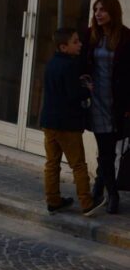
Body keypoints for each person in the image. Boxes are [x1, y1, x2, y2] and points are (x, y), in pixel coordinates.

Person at [40, 27, 104, 217]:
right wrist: (88, 89)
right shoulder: (70, 66)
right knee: (78, 164)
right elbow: (73, 95)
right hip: (67, 123)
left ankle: (53, 200)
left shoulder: (51, 63)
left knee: (52, 164)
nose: (80, 44)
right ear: (63, 47)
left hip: (49, 121)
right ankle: (87, 202)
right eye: (75, 42)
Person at [81, 0, 130, 215]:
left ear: (113, 12)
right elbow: (81, 63)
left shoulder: (126, 37)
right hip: (96, 100)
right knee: (106, 149)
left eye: (102, 10)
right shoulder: (91, 35)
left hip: (116, 102)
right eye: (96, 9)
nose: (98, 13)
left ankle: (99, 190)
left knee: (107, 150)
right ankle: (112, 195)